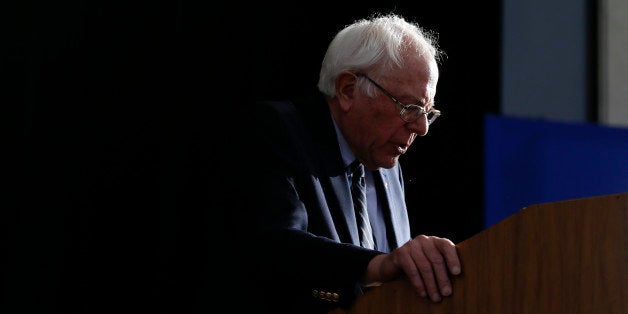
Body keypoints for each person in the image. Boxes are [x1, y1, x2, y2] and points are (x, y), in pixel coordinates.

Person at [225, 12, 461, 314]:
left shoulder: (387, 164)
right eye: (410, 107)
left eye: (427, 112)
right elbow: (275, 247)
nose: (421, 128)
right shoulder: (276, 131)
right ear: (348, 90)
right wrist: (378, 265)